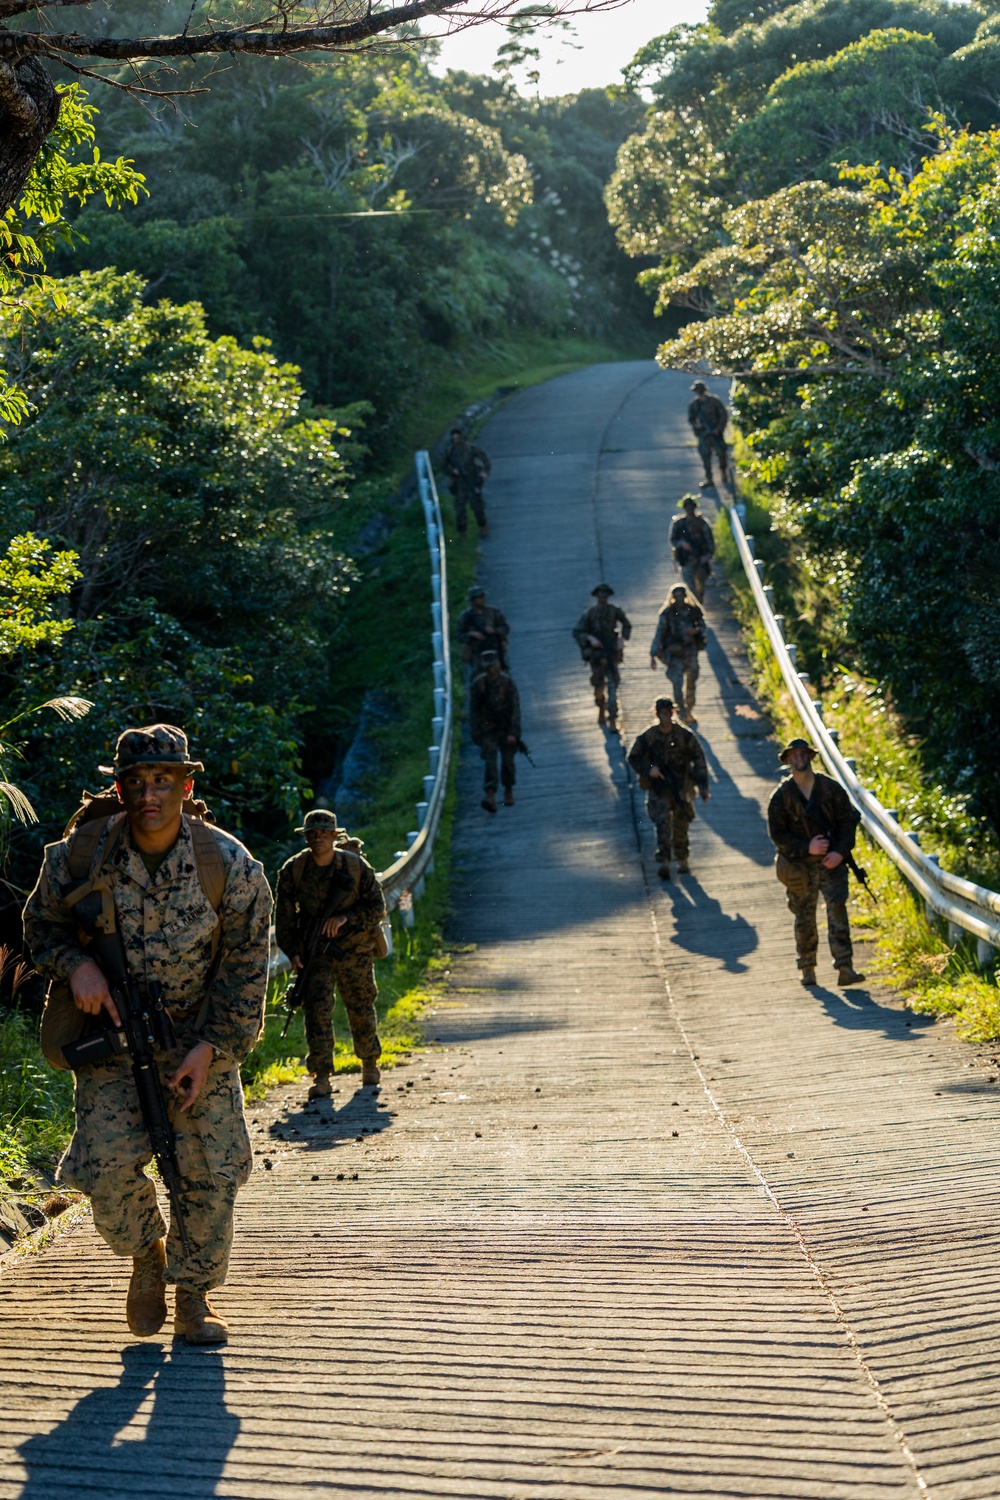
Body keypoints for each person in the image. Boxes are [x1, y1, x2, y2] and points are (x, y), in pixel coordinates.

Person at [23, 724, 272, 1346]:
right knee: (101, 1165)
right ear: (120, 786)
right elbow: (38, 926)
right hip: (111, 1039)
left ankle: (193, 1297)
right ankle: (146, 1251)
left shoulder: (229, 866)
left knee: (210, 1170)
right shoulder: (78, 856)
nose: (150, 794)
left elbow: (246, 972)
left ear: (187, 786)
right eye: (136, 782)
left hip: (199, 1037)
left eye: (164, 780)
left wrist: (212, 1048)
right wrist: (76, 965)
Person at [274, 809, 387, 1099]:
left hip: (355, 949)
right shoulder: (294, 870)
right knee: (318, 1013)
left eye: (324, 834)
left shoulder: (355, 867)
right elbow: (284, 919)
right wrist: (295, 953)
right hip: (317, 954)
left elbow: (377, 909)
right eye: (312, 834)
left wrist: (345, 918)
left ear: (335, 837)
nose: (317, 839)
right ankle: (321, 1076)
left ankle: (369, 1063)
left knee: (361, 1005)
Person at [766, 737, 866, 988]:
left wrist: (839, 853)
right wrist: (806, 847)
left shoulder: (830, 789)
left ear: (810, 757)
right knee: (804, 917)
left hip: (831, 864)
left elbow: (847, 823)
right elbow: (778, 835)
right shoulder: (781, 797)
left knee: (837, 912)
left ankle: (845, 967)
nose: (799, 759)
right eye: (794, 755)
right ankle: (807, 967)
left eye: (803, 754)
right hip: (799, 867)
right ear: (788, 759)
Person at [627, 698, 710, 879]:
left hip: (682, 787)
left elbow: (699, 759)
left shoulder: (684, 735)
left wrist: (703, 787)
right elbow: (633, 757)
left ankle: (682, 860)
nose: (665, 717)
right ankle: (664, 861)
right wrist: (650, 770)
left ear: (673, 713)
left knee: (681, 825)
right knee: (662, 825)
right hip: (659, 788)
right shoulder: (648, 736)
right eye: (662, 713)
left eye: (668, 713)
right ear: (656, 714)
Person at [573, 584, 632, 729]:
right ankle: (601, 707)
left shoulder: (614, 611)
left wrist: (621, 639)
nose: (603, 599)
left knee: (613, 684)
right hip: (597, 656)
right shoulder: (590, 613)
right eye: (600, 596)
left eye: (605, 596)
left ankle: (612, 717)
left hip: (611, 654)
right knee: (598, 686)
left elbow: (627, 625)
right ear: (597, 597)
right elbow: (577, 632)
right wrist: (590, 639)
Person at [469, 649, 521, 813]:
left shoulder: (507, 683)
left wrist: (514, 732)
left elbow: (515, 709)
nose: (491, 669)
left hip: (506, 728)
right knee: (490, 760)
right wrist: (476, 733)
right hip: (488, 729)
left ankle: (508, 790)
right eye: (488, 666)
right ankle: (490, 794)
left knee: (507, 762)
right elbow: (474, 712)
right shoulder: (478, 685)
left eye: (493, 665)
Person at [650, 584, 707, 723]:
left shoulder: (693, 611)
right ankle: (681, 711)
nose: (679, 599)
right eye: (676, 596)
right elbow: (659, 632)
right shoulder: (668, 613)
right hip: (674, 653)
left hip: (690, 651)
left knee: (692, 680)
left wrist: (696, 631)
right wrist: (653, 654)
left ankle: (689, 708)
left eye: (682, 595)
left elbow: (703, 626)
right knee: (677, 683)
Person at [444, 427, 491, 538]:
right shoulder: (450, 451)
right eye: (454, 438)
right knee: (460, 510)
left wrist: (485, 472)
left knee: (477, 507)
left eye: (458, 438)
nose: (456, 440)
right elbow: (444, 467)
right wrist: (452, 471)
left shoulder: (470, 449)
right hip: (459, 483)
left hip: (472, 481)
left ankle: (483, 526)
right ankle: (462, 533)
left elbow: (485, 459)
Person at [670, 495, 715, 602]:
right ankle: (696, 606)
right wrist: (682, 544)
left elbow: (710, 542)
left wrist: (707, 556)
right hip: (686, 560)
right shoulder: (679, 523)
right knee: (690, 586)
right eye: (687, 507)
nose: (689, 509)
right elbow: (673, 540)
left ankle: (699, 605)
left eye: (691, 507)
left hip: (700, 560)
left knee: (701, 587)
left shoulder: (702, 523)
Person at [457, 584, 510, 674]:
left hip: (494, 651)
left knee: (502, 674)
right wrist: (472, 634)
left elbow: (505, 628)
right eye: (479, 597)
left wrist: (494, 631)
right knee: (477, 676)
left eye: (482, 596)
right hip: (477, 653)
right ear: (472, 601)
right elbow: (459, 636)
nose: (482, 599)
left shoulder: (493, 612)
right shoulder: (466, 617)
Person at [687, 381, 730, 489]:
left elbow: (723, 416)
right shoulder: (694, 404)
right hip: (703, 435)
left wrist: (718, 429)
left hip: (716, 434)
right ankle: (709, 479)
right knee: (705, 457)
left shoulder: (714, 401)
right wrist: (696, 424)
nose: (699, 393)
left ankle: (723, 472)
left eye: (700, 391)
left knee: (721, 454)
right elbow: (691, 419)